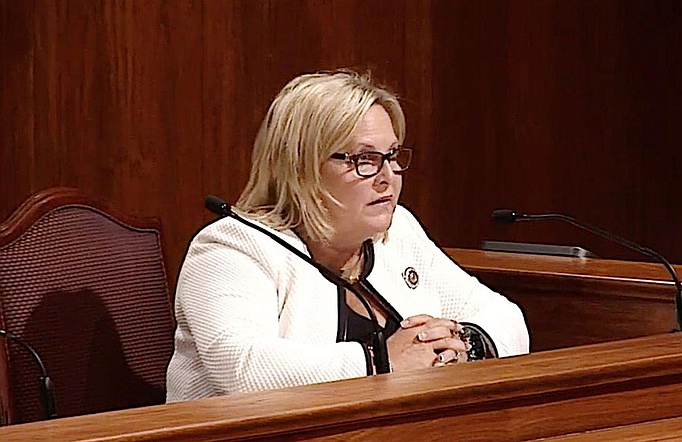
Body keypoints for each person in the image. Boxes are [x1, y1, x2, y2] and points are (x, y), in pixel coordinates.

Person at [166, 70, 529, 402]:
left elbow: (504, 316)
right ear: (302, 166)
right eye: (364, 159)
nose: (388, 176)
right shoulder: (231, 249)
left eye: (391, 156)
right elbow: (242, 367)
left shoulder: (396, 233)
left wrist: (462, 345)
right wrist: (380, 360)